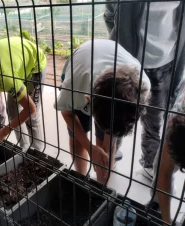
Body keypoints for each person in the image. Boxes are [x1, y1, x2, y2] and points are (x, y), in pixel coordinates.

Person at [104, 1, 185, 180]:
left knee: (154, 120)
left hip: (165, 63)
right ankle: (111, 154)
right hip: (128, 62)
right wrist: (122, 42)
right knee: (119, 113)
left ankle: (148, 164)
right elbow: (110, 14)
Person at [55, 39, 150, 183]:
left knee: (108, 148)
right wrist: (89, 147)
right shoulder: (75, 85)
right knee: (77, 140)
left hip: (114, 82)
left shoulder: (141, 88)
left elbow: (110, 139)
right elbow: (67, 113)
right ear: (89, 100)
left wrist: (106, 149)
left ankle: (101, 189)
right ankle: (81, 180)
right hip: (83, 64)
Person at [151, 79, 185, 225]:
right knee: (161, 165)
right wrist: (166, 221)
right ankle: (159, 205)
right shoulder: (176, 121)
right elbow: (164, 171)